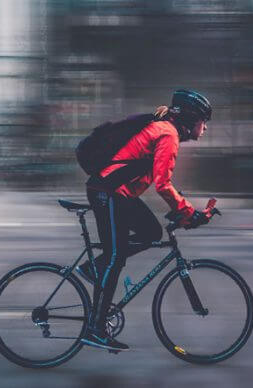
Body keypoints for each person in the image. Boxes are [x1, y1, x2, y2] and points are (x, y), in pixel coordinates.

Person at [78, 89, 213, 351]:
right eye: (204, 121)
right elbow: (162, 184)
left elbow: (161, 180)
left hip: (116, 191)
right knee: (115, 258)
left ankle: (96, 269)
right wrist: (187, 212)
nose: (205, 128)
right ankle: (95, 327)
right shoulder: (168, 134)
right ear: (191, 118)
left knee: (151, 232)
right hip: (108, 191)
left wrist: (183, 210)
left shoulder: (165, 129)